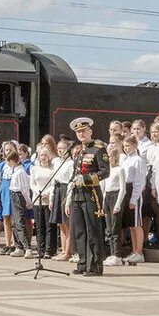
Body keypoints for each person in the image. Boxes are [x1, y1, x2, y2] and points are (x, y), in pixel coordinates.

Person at [66, 117, 109, 276]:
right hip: (77, 195)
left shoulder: (98, 149)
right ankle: (83, 263)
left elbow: (105, 172)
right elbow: (75, 171)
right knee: (79, 230)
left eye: (83, 131)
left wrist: (85, 179)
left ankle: (95, 266)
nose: (81, 134)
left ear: (90, 131)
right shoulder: (78, 150)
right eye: (78, 132)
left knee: (93, 230)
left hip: (91, 195)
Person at [119, 136, 147, 264]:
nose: (126, 148)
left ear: (135, 146)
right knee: (131, 225)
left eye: (128, 146)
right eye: (124, 146)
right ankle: (134, 250)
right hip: (126, 189)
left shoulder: (138, 160)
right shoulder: (125, 160)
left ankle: (139, 252)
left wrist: (133, 199)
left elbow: (140, 181)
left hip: (134, 191)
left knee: (136, 224)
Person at [30, 144, 56, 259]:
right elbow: (32, 184)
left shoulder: (53, 168)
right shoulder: (34, 168)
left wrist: (47, 193)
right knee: (39, 226)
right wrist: (38, 192)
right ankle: (40, 250)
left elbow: (53, 184)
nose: (44, 157)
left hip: (48, 199)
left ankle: (48, 250)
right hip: (37, 199)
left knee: (49, 226)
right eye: (41, 155)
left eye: (46, 155)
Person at [5, 150, 32, 257]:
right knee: (15, 222)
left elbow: (24, 189)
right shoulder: (16, 171)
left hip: (18, 196)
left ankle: (27, 247)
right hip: (13, 195)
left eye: (9, 161)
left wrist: (28, 202)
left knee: (20, 221)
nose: (8, 164)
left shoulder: (20, 172)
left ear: (13, 161)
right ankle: (19, 246)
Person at [103, 145, 126, 266]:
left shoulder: (119, 169)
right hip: (107, 196)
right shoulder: (107, 170)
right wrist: (103, 203)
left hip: (116, 196)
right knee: (108, 229)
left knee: (115, 227)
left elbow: (123, 189)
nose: (108, 158)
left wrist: (118, 204)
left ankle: (117, 255)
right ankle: (112, 254)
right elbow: (104, 187)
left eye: (110, 156)